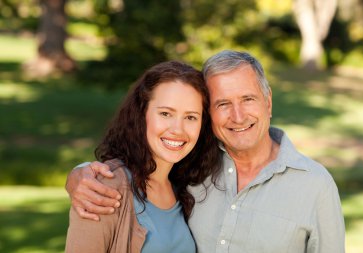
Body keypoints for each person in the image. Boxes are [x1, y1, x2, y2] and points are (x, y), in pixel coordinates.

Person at [66, 50, 345, 253]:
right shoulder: (192, 170)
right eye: (223, 104)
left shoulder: (315, 186)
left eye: (248, 99)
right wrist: (82, 175)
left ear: (268, 102)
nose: (238, 116)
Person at [65, 60, 220, 253]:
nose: (178, 129)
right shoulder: (105, 187)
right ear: (141, 113)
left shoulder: (184, 185)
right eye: (165, 113)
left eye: (191, 117)